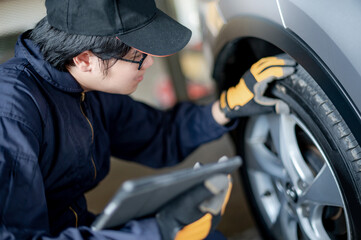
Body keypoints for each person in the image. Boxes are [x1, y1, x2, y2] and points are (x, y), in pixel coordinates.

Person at [0, 0, 296, 239]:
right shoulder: (12, 115)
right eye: (138, 54)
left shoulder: (86, 88)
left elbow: (159, 135)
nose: (151, 61)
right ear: (85, 59)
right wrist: (158, 231)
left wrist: (226, 107)